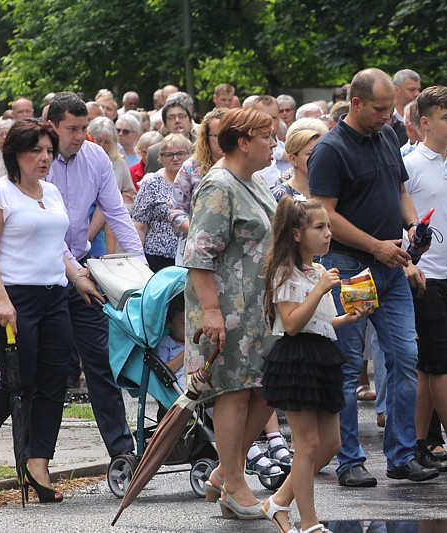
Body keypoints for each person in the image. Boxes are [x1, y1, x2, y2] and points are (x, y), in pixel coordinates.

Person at [309, 68, 439, 487]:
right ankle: (350, 460)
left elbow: (400, 189)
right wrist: (375, 245)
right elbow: (324, 213)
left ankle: (401, 455)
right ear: (357, 103)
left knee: (405, 358)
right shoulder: (330, 149)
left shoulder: (387, 136)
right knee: (349, 367)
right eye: (381, 109)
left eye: (392, 108)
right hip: (351, 268)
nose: (389, 115)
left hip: (391, 266)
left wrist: (414, 225)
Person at [0, 119, 101, 500]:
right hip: (14, 298)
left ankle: (38, 463)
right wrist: (0, 299)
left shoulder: (51, 192)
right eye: (37, 151)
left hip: (54, 296)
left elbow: (57, 247)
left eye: (49, 150)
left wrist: (78, 276)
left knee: (52, 383)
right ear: (15, 154)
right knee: (19, 379)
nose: (46, 158)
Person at [184, 107, 278, 518]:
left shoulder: (251, 180)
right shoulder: (219, 185)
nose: (275, 144)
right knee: (235, 393)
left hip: (258, 309)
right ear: (244, 142)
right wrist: (210, 312)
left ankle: (226, 471)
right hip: (227, 309)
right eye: (268, 137)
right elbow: (198, 254)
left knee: (267, 388)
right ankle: (234, 485)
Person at [259, 196, 369, 533]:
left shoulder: (318, 270)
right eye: (319, 228)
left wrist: (347, 318)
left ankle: (277, 501)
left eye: (328, 227)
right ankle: (309, 522)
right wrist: (319, 290)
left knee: (331, 444)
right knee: (306, 444)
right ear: (295, 234)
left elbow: (319, 322)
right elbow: (292, 324)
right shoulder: (284, 271)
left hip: (323, 356)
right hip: (296, 359)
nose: (327, 234)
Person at [45, 92, 143, 460]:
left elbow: (117, 214)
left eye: (84, 127)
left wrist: (141, 267)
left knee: (102, 362)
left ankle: (122, 452)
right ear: (51, 125)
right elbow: (45, 232)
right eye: (71, 128)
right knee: (47, 371)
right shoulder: (37, 160)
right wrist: (74, 273)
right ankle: (37, 456)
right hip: (45, 275)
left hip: (83, 271)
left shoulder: (95, 156)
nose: (79, 135)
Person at [403, 86, 447, 475]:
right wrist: (407, 261)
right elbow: (402, 220)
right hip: (424, 274)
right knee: (441, 360)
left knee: (433, 364)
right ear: (424, 122)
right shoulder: (410, 164)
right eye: (446, 117)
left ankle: (420, 442)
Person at [169, 107, 227, 265]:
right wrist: (198, 229)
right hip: (197, 249)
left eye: (226, 135)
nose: (222, 140)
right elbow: (175, 211)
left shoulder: (244, 167)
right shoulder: (190, 168)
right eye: (216, 136)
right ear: (206, 137)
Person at [133, 133, 191, 271]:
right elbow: (139, 225)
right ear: (160, 158)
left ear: (189, 156)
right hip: (158, 258)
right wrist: (138, 260)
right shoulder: (151, 183)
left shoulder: (197, 181)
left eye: (180, 153)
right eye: (169, 155)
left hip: (191, 257)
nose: (175, 158)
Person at [271, 128, 322, 201]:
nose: (317, 158)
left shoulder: (333, 189)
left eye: (320, 152)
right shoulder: (280, 195)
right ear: (293, 159)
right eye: (309, 154)